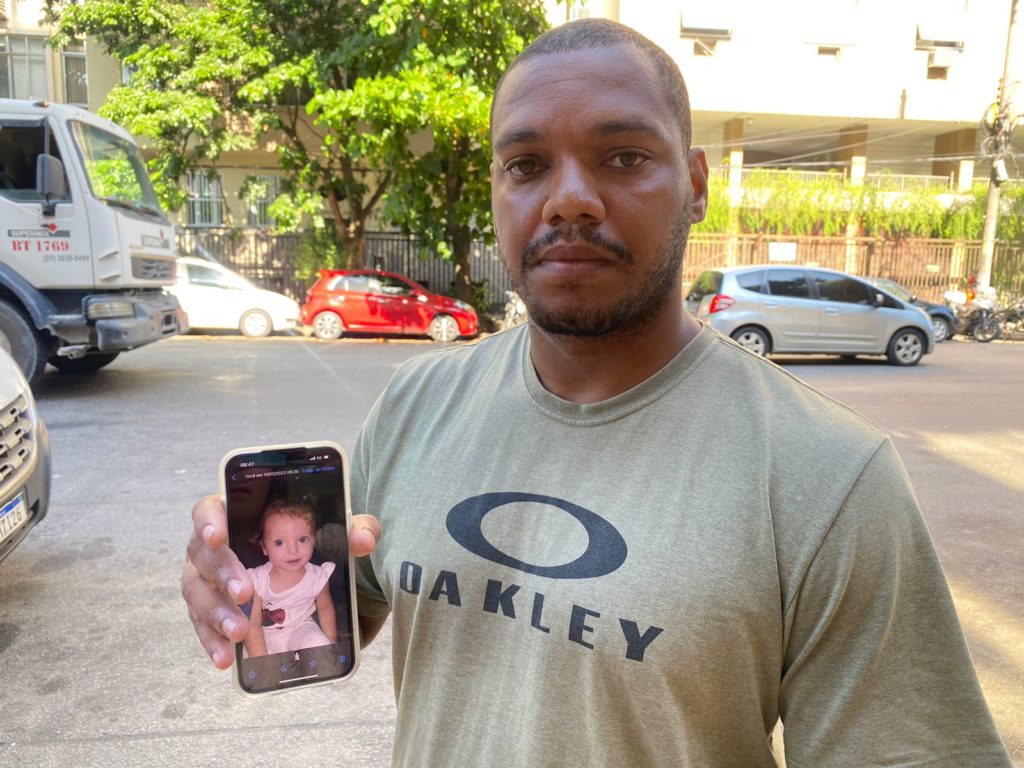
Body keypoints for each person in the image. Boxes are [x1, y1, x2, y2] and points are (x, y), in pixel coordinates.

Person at [183, 18, 1012, 767]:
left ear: (695, 183)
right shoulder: (416, 403)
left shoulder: (829, 474)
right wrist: (242, 590)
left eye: (622, 157)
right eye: (526, 165)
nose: (569, 197)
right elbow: (351, 609)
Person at [243, 499, 336, 657]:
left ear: (313, 539)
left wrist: (332, 642)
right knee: (257, 664)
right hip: (264, 636)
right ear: (264, 547)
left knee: (319, 646)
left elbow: (325, 608)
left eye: (302, 539)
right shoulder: (256, 581)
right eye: (279, 542)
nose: (293, 551)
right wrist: (261, 660)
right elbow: (253, 625)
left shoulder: (318, 577)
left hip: (302, 628)